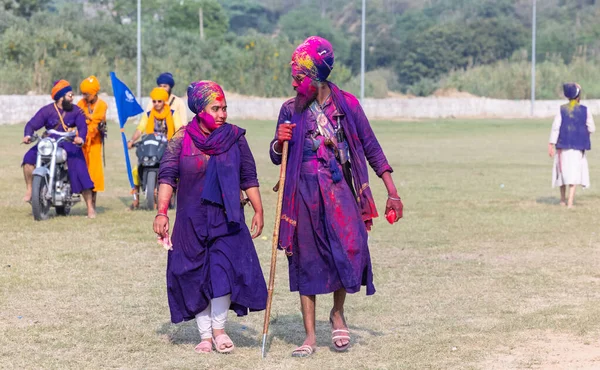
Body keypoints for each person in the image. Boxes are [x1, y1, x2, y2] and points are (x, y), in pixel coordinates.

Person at [269, 36, 404, 357]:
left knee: (349, 249)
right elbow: (277, 157)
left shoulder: (348, 106)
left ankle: (337, 312)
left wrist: (392, 191)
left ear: (317, 76)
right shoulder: (290, 109)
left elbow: (371, 147)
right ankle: (310, 336)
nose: (293, 82)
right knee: (307, 259)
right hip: (302, 195)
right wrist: (279, 141)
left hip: (340, 191)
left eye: (299, 77)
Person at [153, 80, 267, 354]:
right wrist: (161, 212)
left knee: (223, 272)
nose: (222, 114)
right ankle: (204, 335)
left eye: (224, 108)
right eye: (215, 108)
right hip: (190, 220)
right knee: (191, 273)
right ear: (199, 109)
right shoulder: (181, 139)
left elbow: (248, 176)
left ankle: (219, 329)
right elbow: (168, 177)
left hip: (227, 218)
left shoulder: (235, 138)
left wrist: (259, 209)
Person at [22, 80, 96, 218]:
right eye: (69, 95)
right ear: (60, 97)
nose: (72, 98)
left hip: (68, 141)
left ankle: (90, 207)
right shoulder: (47, 110)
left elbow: (82, 127)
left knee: (80, 169)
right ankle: (30, 189)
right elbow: (32, 124)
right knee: (28, 159)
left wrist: (81, 138)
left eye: (72, 95)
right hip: (49, 141)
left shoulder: (77, 111)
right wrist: (27, 135)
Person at [127, 87, 183, 209]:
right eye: (154, 101)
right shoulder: (148, 115)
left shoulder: (173, 113)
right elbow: (140, 128)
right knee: (136, 171)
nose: (156, 104)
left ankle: (176, 195)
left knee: (176, 170)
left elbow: (179, 129)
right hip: (151, 148)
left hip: (168, 149)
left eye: (159, 101)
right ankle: (136, 199)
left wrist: (177, 141)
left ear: (164, 101)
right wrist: (132, 141)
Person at [548, 83, 595, 208]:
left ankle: (562, 200)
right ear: (578, 96)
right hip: (578, 147)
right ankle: (570, 203)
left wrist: (551, 145)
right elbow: (592, 128)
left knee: (562, 172)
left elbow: (555, 128)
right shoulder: (585, 110)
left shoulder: (561, 109)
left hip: (562, 146)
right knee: (574, 174)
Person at [77, 75, 108, 211]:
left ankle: (92, 205)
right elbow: (77, 117)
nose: (84, 96)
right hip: (81, 143)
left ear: (94, 93)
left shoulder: (102, 105)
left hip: (94, 144)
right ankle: (87, 204)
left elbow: (97, 121)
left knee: (93, 175)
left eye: (87, 94)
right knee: (82, 172)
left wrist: (88, 118)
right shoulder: (80, 104)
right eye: (83, 93)